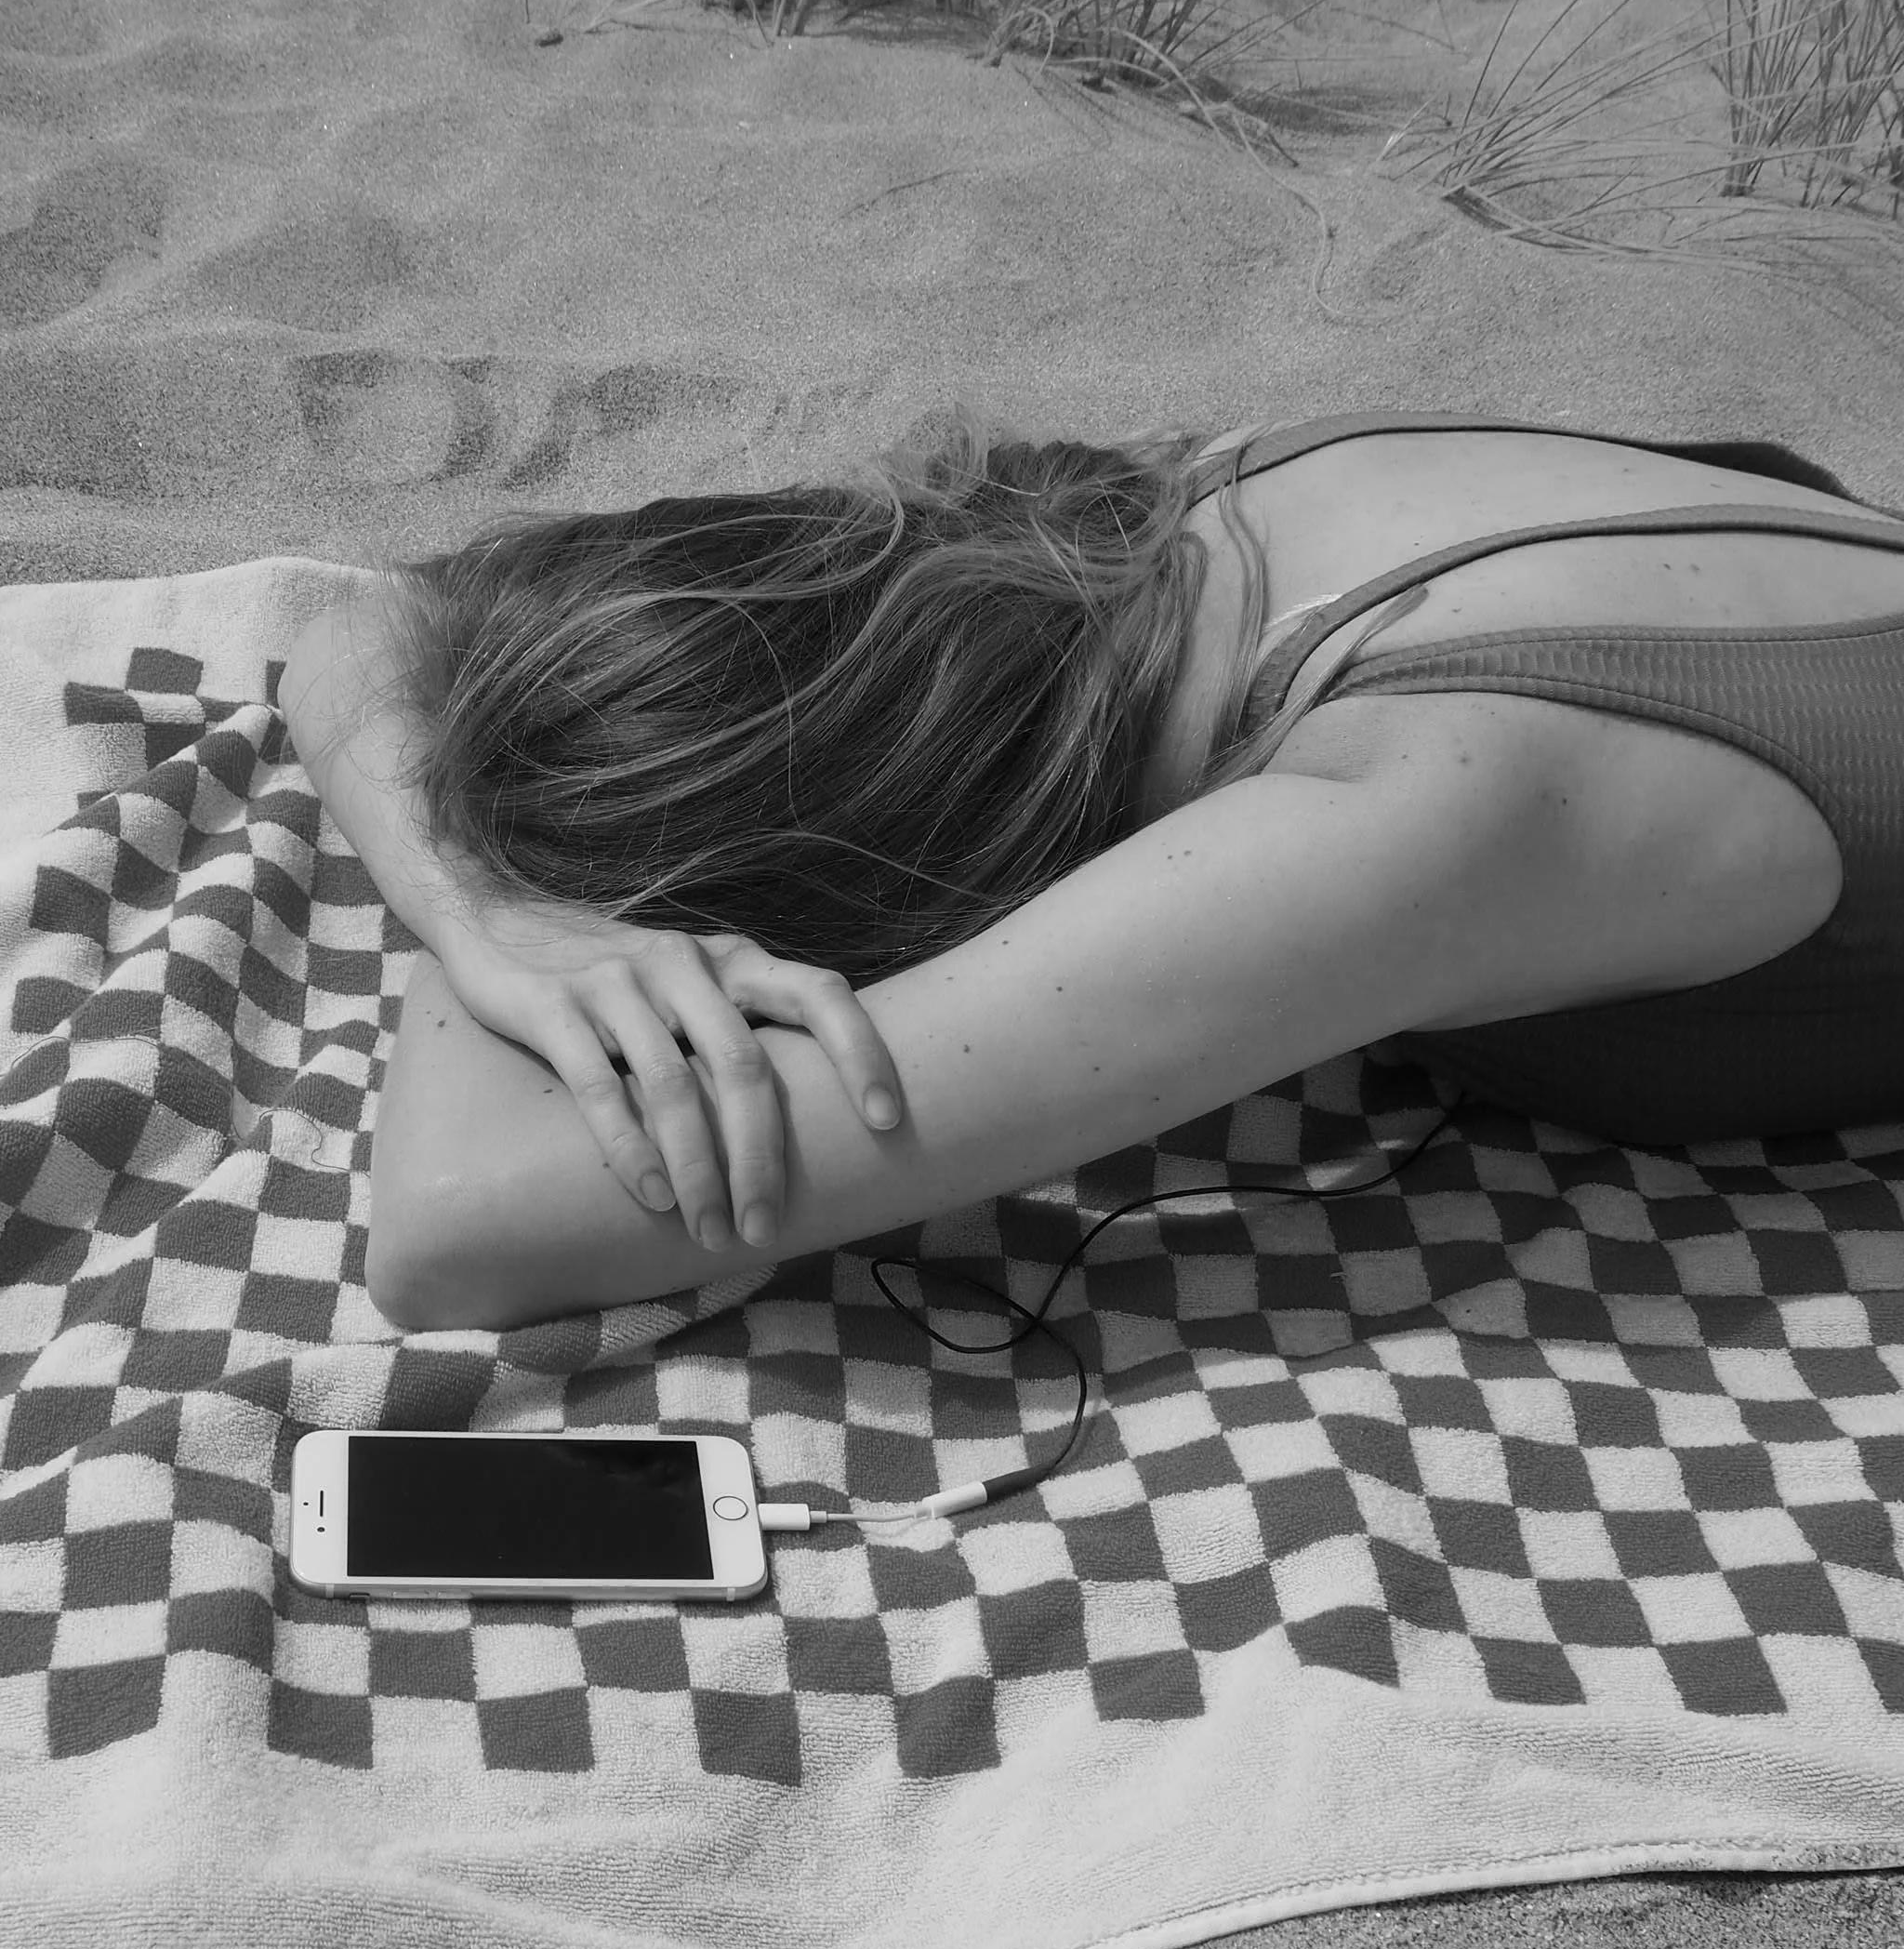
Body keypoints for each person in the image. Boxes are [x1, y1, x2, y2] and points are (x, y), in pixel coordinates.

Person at [280, 409, 1904, 1333]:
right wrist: (492, 906)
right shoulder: (1207, 505)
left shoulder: (1385, 827)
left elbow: (456, 1233)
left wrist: (552, 909)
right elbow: (353, 631)